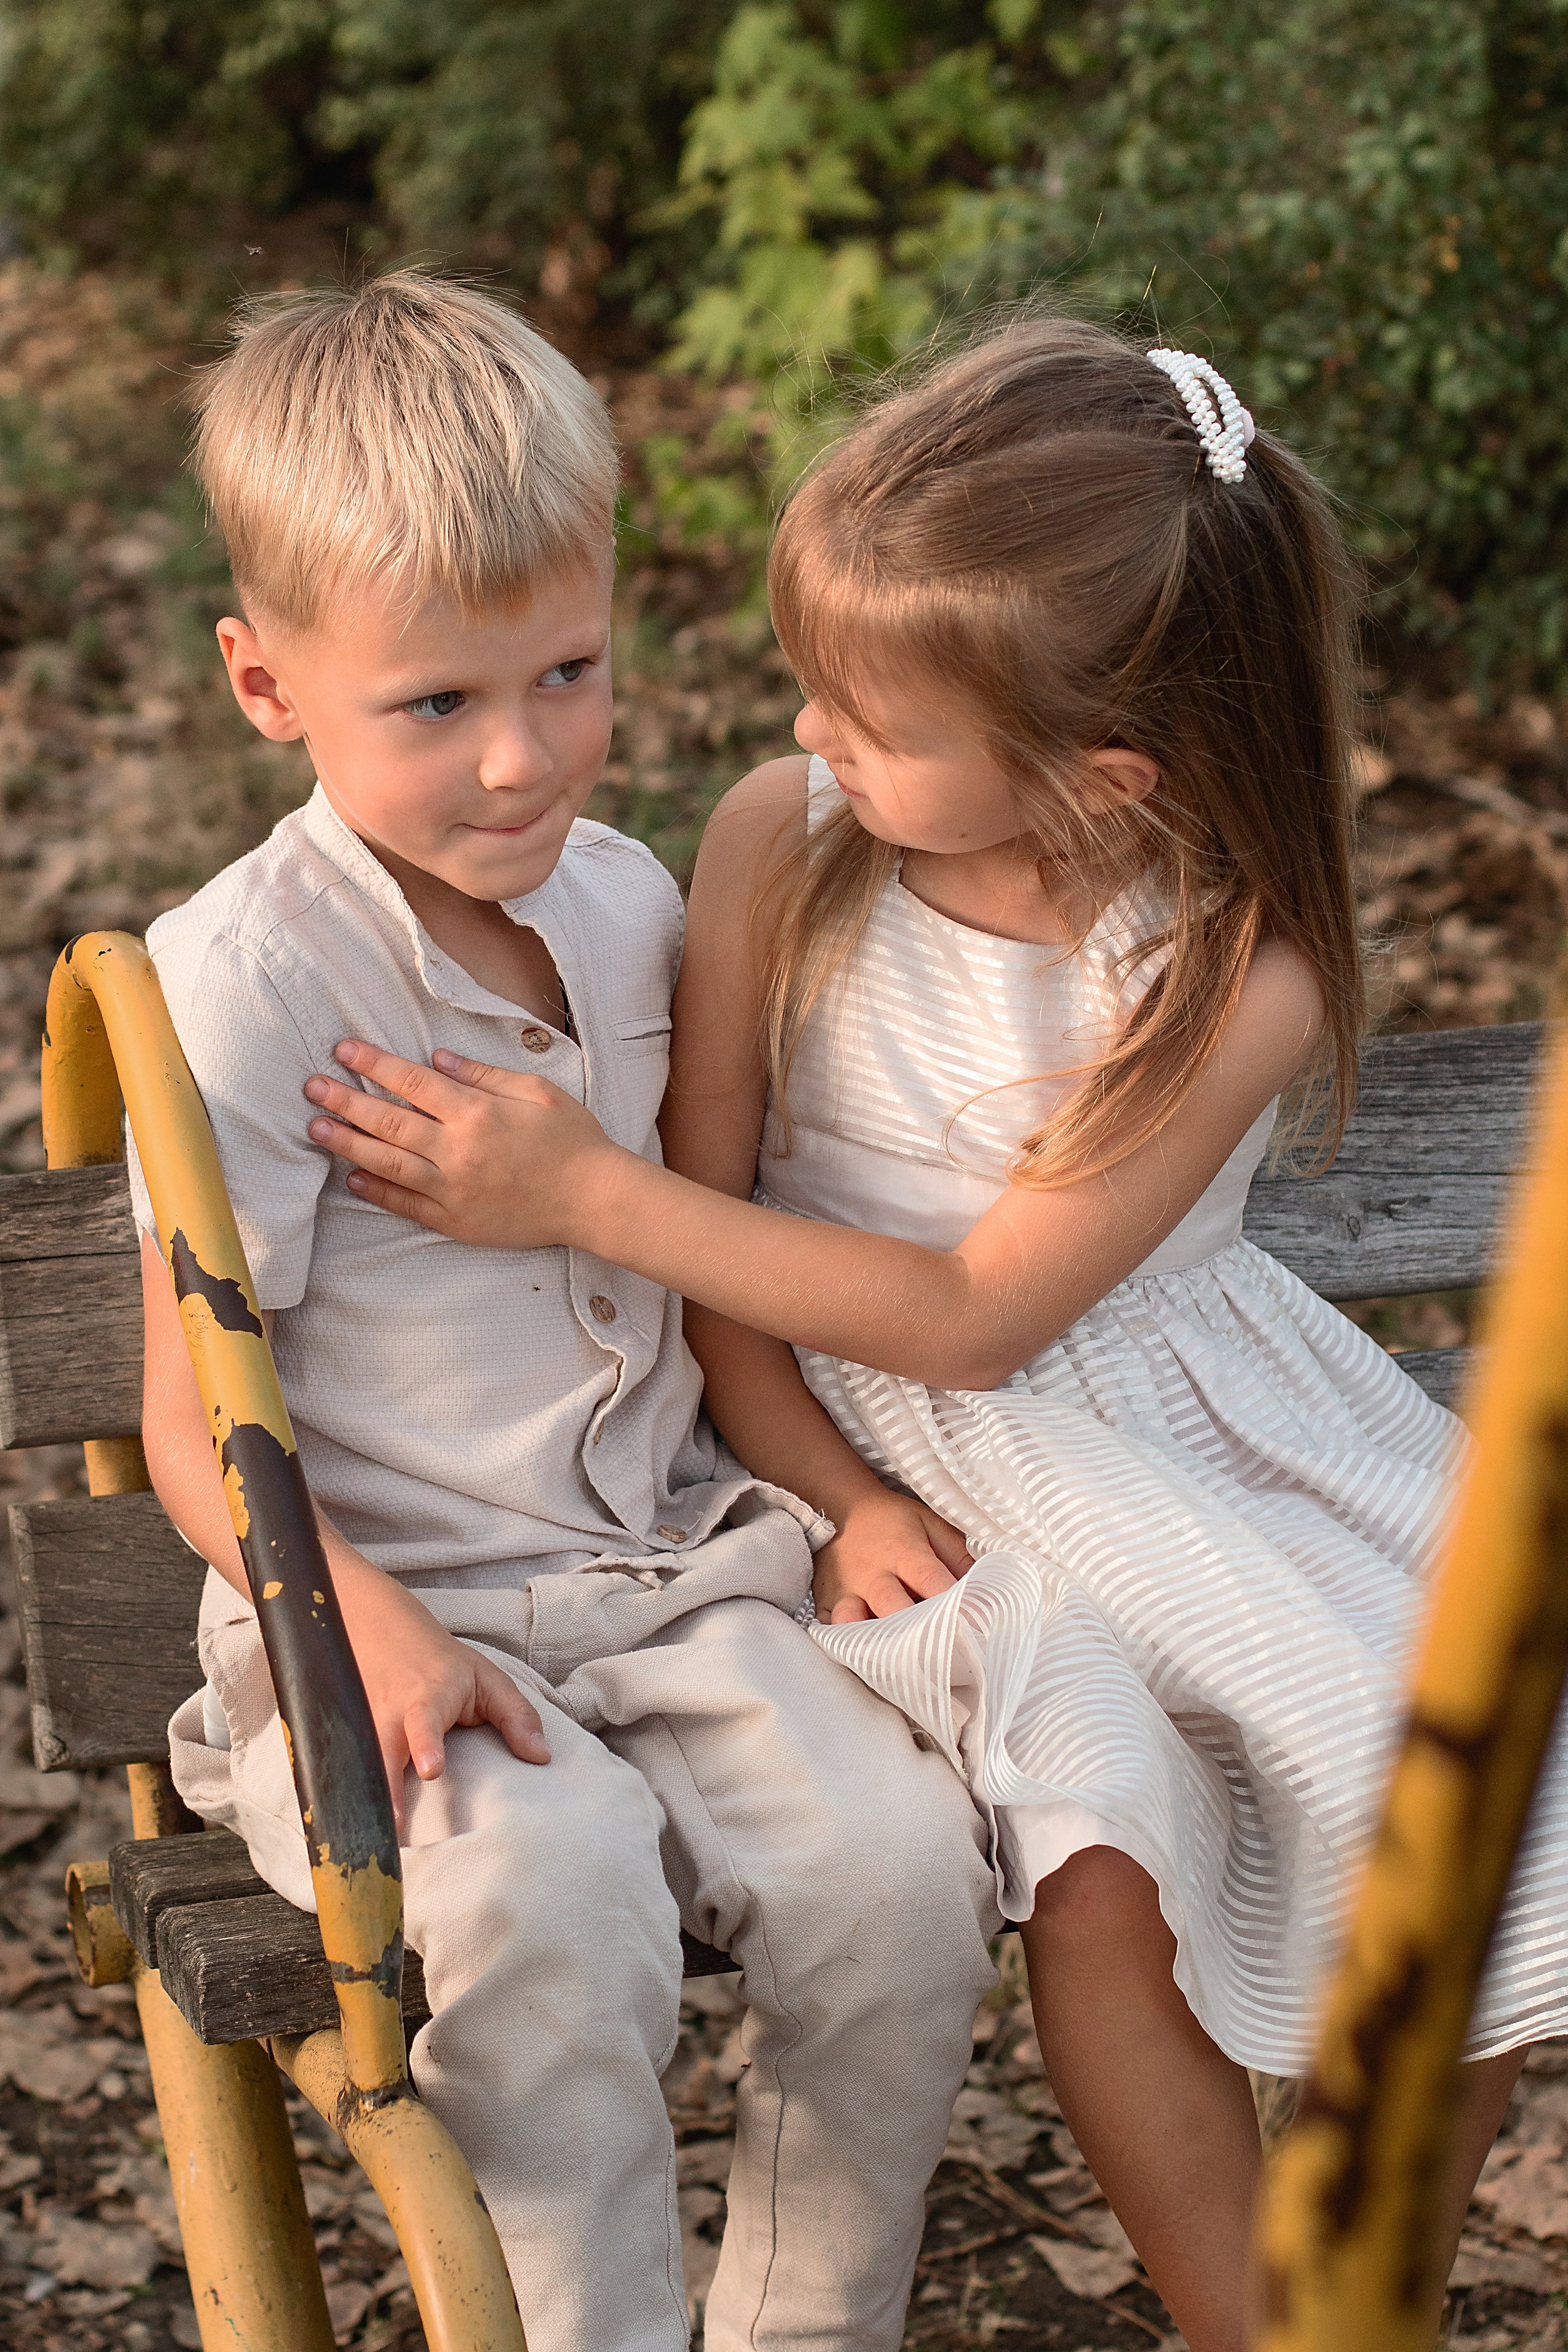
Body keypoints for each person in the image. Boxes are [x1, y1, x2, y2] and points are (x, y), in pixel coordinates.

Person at [301, 317, 1568, 2352]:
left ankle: (1360, 2290)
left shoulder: (1241, 966)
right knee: (1105, 1844)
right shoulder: (783, 843)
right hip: (913, 1466)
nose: (807, 728)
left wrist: (580, 1192)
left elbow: (988, 1309)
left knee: (1489, 1782)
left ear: (1101, 773)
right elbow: (731, 1259)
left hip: (1186, 1423)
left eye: (868, 711)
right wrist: (825, 1487)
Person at [131, 270, 1002, 2352]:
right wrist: (364, 1622)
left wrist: (832, 1496)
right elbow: (192, 1419)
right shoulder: (249, 981)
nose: (523, 756)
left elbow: (696, 1258)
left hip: (672, 1577)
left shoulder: (627, 901)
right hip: (384, 1619)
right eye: (435, 705)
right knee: (545, 1898)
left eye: (573, 671)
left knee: (900, 1877)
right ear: (270, 684)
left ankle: (803, 2327)